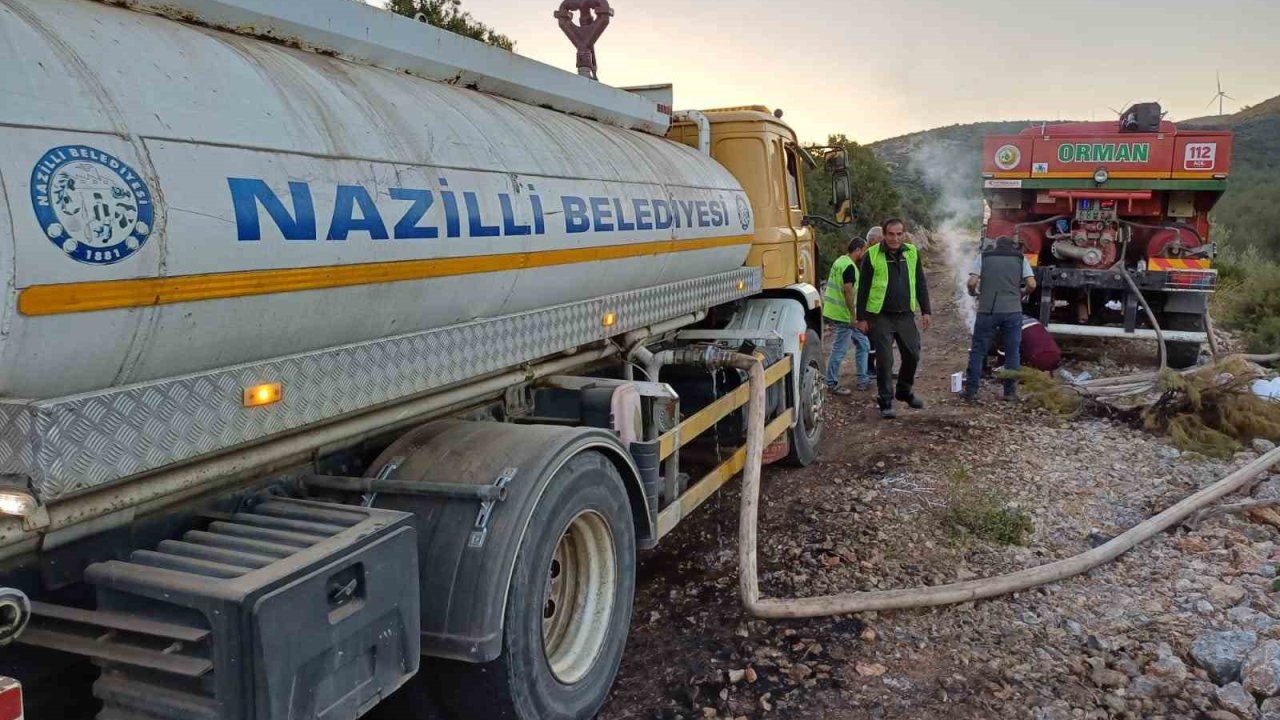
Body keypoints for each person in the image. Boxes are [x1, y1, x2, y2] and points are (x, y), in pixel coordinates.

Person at [856, 218, 931, 419]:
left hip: (905, 315)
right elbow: (862, 289)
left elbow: (920, 283)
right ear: (884, 234)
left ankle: (904, 391)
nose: (895, 238)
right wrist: (861, 318)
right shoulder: (871, 255)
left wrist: (926, 311)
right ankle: (886, 401)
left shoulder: (912, 252)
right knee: (885, 360)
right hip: (880, 315)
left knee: (913, 354)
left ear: (904, 234)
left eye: (899, 234)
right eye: (891, 234)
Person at [963, 236, 1036, 402]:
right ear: (1012, 246)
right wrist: (1022, 293)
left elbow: (972, 282)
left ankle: (971, 391)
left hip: (988, 309)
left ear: (995, 245)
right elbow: (1032, 284)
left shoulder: (984, 256)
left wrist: (973, 293)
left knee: (978, 350)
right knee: (1012, 351)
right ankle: (1009, 393)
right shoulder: (1020, 258)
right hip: (1012, 311)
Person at [822, 237, 871, 395]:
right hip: (843, 315)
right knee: (839, 350)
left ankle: (863, 379)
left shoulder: (840, 261)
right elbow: (848, 292)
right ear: (858, 250)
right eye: (864, 250)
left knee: (863, 344)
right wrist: (853, 316)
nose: (864, 253)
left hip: (835, 311)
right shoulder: (849, 267)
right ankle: (831, 383)